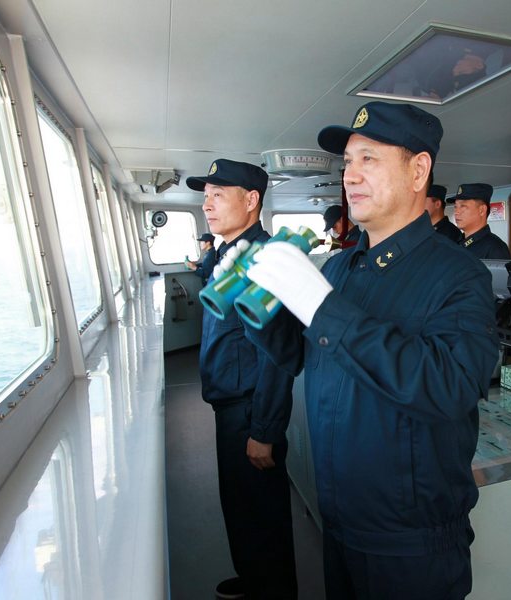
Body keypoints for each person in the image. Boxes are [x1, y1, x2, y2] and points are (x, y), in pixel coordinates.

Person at [242, 101, 500, 599]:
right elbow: (300, 356)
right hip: (340, 519)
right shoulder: (341, 268)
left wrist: (322, 307)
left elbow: (450, 386)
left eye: (369, 159)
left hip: (410, 544)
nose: (350, 176)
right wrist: (258, 308)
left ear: (418, 171)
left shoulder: (459, 274)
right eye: (347, 163)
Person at [186, 159, 298, 600]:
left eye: (218, 195)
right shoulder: (229, 254)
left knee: (262, 513)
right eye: (205, 197)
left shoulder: (264, 259)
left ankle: (273, 589)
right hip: (229, 402)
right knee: (240, 507)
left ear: (251, 201)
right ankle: (252, 577)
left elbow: (277, 355)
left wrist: (264, 430)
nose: (207, 205)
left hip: (251, 408)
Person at [449, 183, 511, 259]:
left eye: (463, 206)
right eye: (455, 206)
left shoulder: (495, 248)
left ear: (482, 210)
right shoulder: (456, 243)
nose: (456, 212)